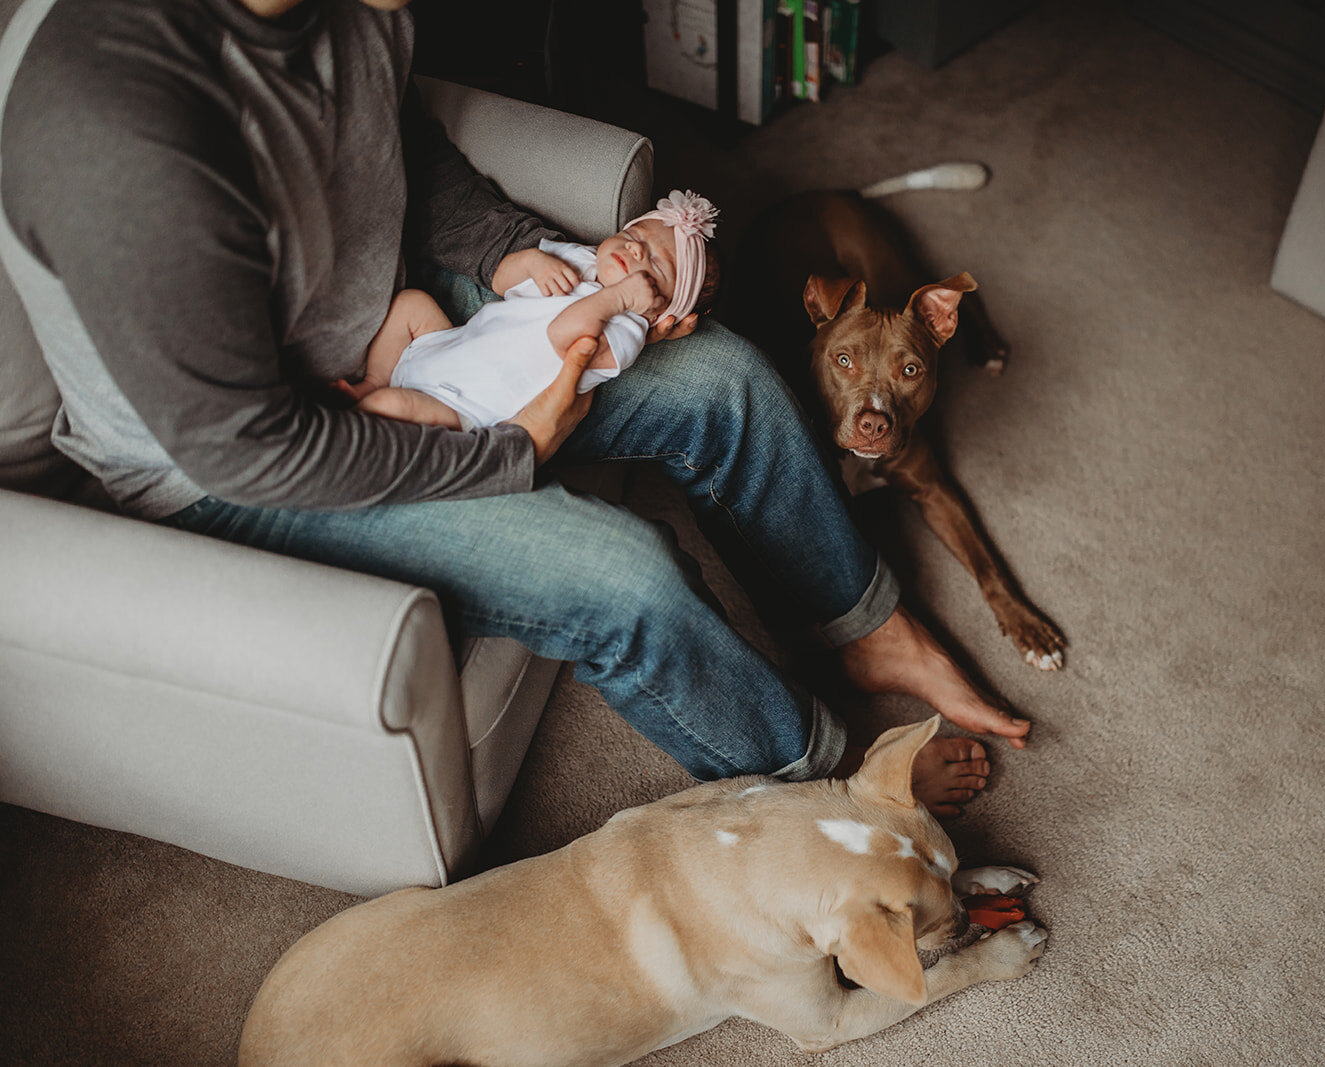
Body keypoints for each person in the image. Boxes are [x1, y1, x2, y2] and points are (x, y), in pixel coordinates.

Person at [0, 0, 1031, 817]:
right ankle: (825, 783)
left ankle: (865, 625)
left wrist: (503, 245)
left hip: (386, 326)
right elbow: (247, 447)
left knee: (726, 379)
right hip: (236, 461)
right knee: (620, 575)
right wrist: (508, 448)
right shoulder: (114, 119)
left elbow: (391, 138)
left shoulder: (352, 7)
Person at [340, 192, 721, 430]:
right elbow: (504, 279)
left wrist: (619, 298)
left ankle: (347, 419)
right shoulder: (581, 261)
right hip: (446, 347)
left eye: (655, 264)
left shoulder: (625, 331)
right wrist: (533, 262)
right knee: (411, 304)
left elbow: (563, 334)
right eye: (634, 236)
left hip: (464, 403)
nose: (636, 250)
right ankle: (374, 379)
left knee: (388, 406)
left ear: (660, 314)